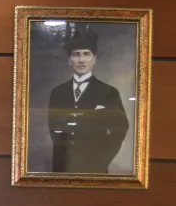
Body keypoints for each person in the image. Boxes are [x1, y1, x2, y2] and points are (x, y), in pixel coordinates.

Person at [47, 30, 129, 173]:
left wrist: (102, 158)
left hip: (94, 168)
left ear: (94, 59)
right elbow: (54, 130)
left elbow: (121, 128)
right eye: (76, 54)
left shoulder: (108, 92)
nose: (81, 60)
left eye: (86, 54)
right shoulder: (57, 93)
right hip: (63, 169)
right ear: (69, 60)